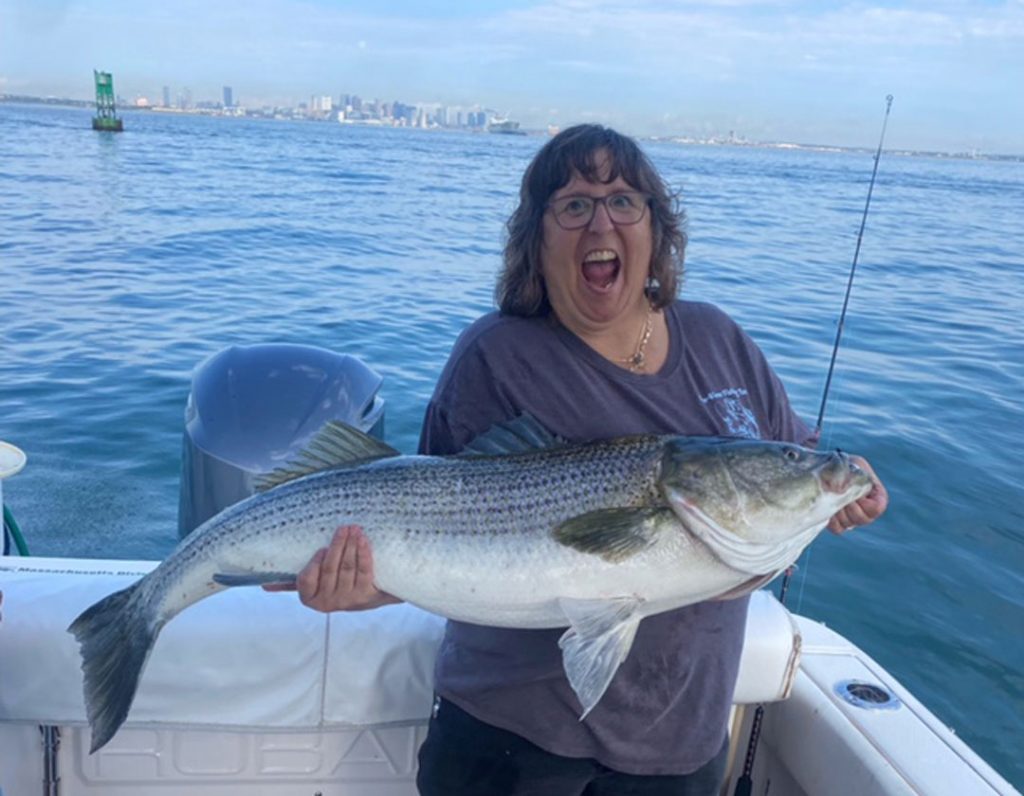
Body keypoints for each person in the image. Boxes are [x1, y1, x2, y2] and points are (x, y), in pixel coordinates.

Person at [277, 124, 888, 795]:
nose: (601, 219)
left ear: (656, 229)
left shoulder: (720, 338)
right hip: (512, 746)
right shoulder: (496, 357)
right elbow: (435, 527)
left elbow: (792, 455)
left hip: (683, 740)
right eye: (572, 204)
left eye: (624, 200)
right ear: (536, 239)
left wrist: (838, 492)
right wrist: (362, 582)